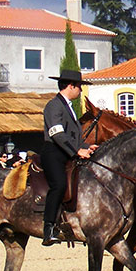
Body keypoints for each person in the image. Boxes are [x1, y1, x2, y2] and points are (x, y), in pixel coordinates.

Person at [40, 69, 97, 246]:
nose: (80, 90)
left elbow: (74, 138)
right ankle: (49, 228)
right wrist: (77, 151)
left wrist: (87, 147)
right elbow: (57, 134)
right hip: (54, 153)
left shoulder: (69, 107)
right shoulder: (53, 106)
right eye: (79, 86)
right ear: (71, 86)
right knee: (59, 184)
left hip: (67, 151)